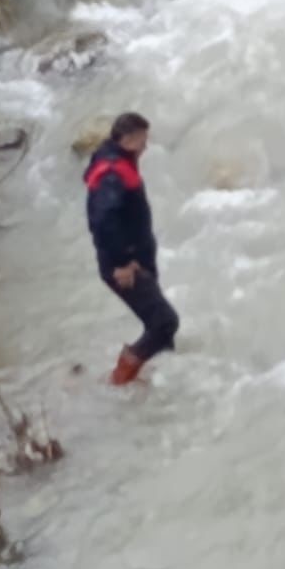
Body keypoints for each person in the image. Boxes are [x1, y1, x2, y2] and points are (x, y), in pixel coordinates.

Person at [85, 112, 180, 385]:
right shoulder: (111, 176)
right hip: (123, 265)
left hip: (136, 259)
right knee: (165, 323)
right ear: (127, 140)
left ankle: (160, 379)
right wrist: (123, 262)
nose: (145, 147)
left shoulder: (114, 160)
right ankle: (119, 380)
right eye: (142, 140)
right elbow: (103, 221)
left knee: (160, 325)